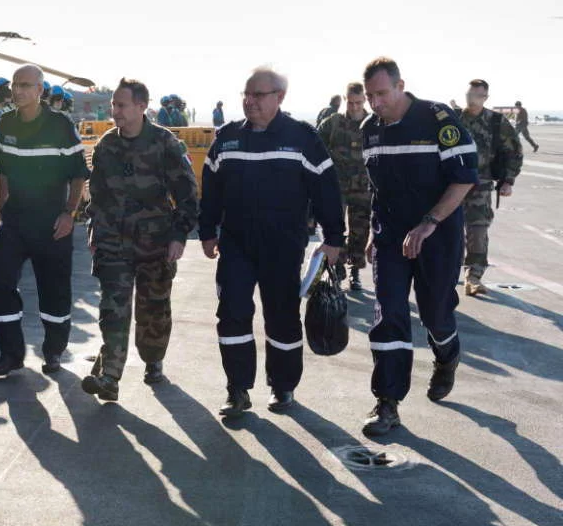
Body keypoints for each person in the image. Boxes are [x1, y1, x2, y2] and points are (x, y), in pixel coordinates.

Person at [199, 67, 344, 417]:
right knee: (232, 312)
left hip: (282, 246)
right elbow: (211, 187)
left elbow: (326, 189)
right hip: (236, 245)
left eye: (258, 95)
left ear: (279, 97)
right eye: (246, 95)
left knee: (282, 317)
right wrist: (206, 230)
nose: (249, 101)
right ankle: (237, 389)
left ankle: (283, 386)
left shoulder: (302, 138)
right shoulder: (228, 137)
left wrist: (335, 238)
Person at [360, 57, 478, 436]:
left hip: (437, 237)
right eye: (369, 96)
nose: (375, 103)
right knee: (389, 313)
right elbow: (378, 188)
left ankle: (447, 355)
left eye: (381, 93)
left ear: (400, 85)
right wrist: (370, 235)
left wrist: (429, 223)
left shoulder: (438, 118)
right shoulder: (369, 129)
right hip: (391, 238)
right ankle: (388, 403)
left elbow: (463, 179)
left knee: (435, 314)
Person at [81, 78, 198, 401]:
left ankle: (153, 359)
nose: (114, 111)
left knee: (153, 309)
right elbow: (98, 195)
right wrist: (94, 230)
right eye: (113, 105)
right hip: (113, 243)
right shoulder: (106, 145)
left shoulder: (165, 144)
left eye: (121, 105)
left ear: (141, 107)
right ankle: (110, 376)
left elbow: (187, 196)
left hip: (154, 244)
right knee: (113, 308)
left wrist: (178, 236)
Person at [0, 64, 90, 378]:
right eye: (15, 85)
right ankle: (10, 354)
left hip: (51, 223)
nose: (19, 91)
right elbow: (2, 170)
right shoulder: (5, 123)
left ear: (40, 90)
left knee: (54, 291)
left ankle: (54, 351)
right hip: (16, 220)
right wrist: (0, 211)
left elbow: (77, 174)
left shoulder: (60, 125)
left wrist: (68, 214)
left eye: (26, 85)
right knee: (1, 283)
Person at [458, 80, 523, 296]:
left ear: (485, 97)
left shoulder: (495, 121)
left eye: (477, 95)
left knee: (477, 230)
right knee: (449, 231)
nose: (472, 98)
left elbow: (513, 151)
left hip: (481, 184)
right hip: (452, 184)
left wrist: (508, 180)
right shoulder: (454, 119)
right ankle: (447, 274)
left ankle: (473, 278)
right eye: (470, 93)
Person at [317, 82, 370, 290]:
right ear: (345, 99)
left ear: (364, 99)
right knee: (335, 226)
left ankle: (355, 270)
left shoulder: (373, 123)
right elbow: (316, 145)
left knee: (360, 229)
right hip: (337, 185)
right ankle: (337, 267)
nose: (355, 107)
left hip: (363, 187)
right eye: (351, 102)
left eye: (358, 102)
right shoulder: (334, 122)